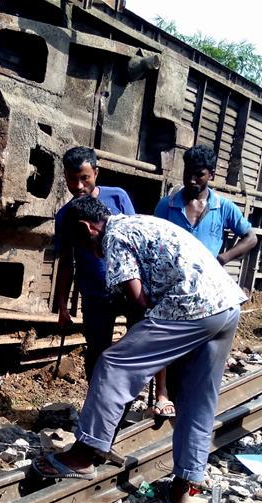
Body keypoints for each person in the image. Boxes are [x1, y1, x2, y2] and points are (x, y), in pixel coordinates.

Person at [33, 196, 246, 503]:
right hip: (226, 306)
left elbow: (139, 299)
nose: (88, 253)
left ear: (85, 228)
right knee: (195, 398)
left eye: (79, 243)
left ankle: (83, 455)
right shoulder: (139, 223)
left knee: (115, 363)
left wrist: (140, 343)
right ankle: (185, 489)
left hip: (192, 305)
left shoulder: (113, 237)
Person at [53, 147, 173, 416]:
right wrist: (62, 305)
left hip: (130, 289)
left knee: (147, 340)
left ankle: (159, 395)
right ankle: (97, 405)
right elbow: (65, 261)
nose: (79, 186)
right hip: (95, 294)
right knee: (96, 351)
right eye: (72, 180)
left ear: (96, 172)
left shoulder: (117, 197)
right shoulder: (65, 215)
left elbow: (135, 241)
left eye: (84, 178)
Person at [155, 144, 258, 264]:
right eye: (188, 173)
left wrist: (221, 259)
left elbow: (251, 238)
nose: (192, 180)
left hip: (205, 279)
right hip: (170, 278)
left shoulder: (223, 207)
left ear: (211, 174)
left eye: (199, 175)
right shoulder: (166, 205)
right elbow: (154, 241)